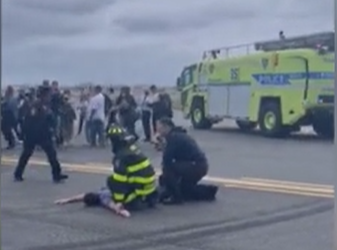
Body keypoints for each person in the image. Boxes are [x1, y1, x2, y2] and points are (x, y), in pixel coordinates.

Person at [13, 85, 68, 183]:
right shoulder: (36, 105)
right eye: (48, 94)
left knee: (52, 154)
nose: (50, 96)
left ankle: (56, 174)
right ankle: (18, 173)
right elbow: (30, 120)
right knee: (26, 154)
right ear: (44, 94)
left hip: (43, 134)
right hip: (34, 134)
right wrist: (25, 133)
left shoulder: (45, 105)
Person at [156, 117, 217, 204]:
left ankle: (176, 198)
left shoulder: (174, 137)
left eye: (159, 127)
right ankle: (209, 192)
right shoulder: (177, 135)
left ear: (167, 127)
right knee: (185, 190)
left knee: (168, 169)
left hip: (196, 165)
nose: (157, 130)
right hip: (198, 165)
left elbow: (167, 160)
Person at [106, 123, 158, 212]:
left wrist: (119, 201)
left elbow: (119, 181)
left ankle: (132, 200)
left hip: (139, 188)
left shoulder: (121, 156)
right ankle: (149, 197)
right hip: (150, 186)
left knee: (111, 180)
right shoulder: (132, 148)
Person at [54, 187, 131, 218]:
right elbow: (81, 196)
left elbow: (111, 205)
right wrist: (67, 200)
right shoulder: (102, 195)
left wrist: (67, 200)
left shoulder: (102, 197)